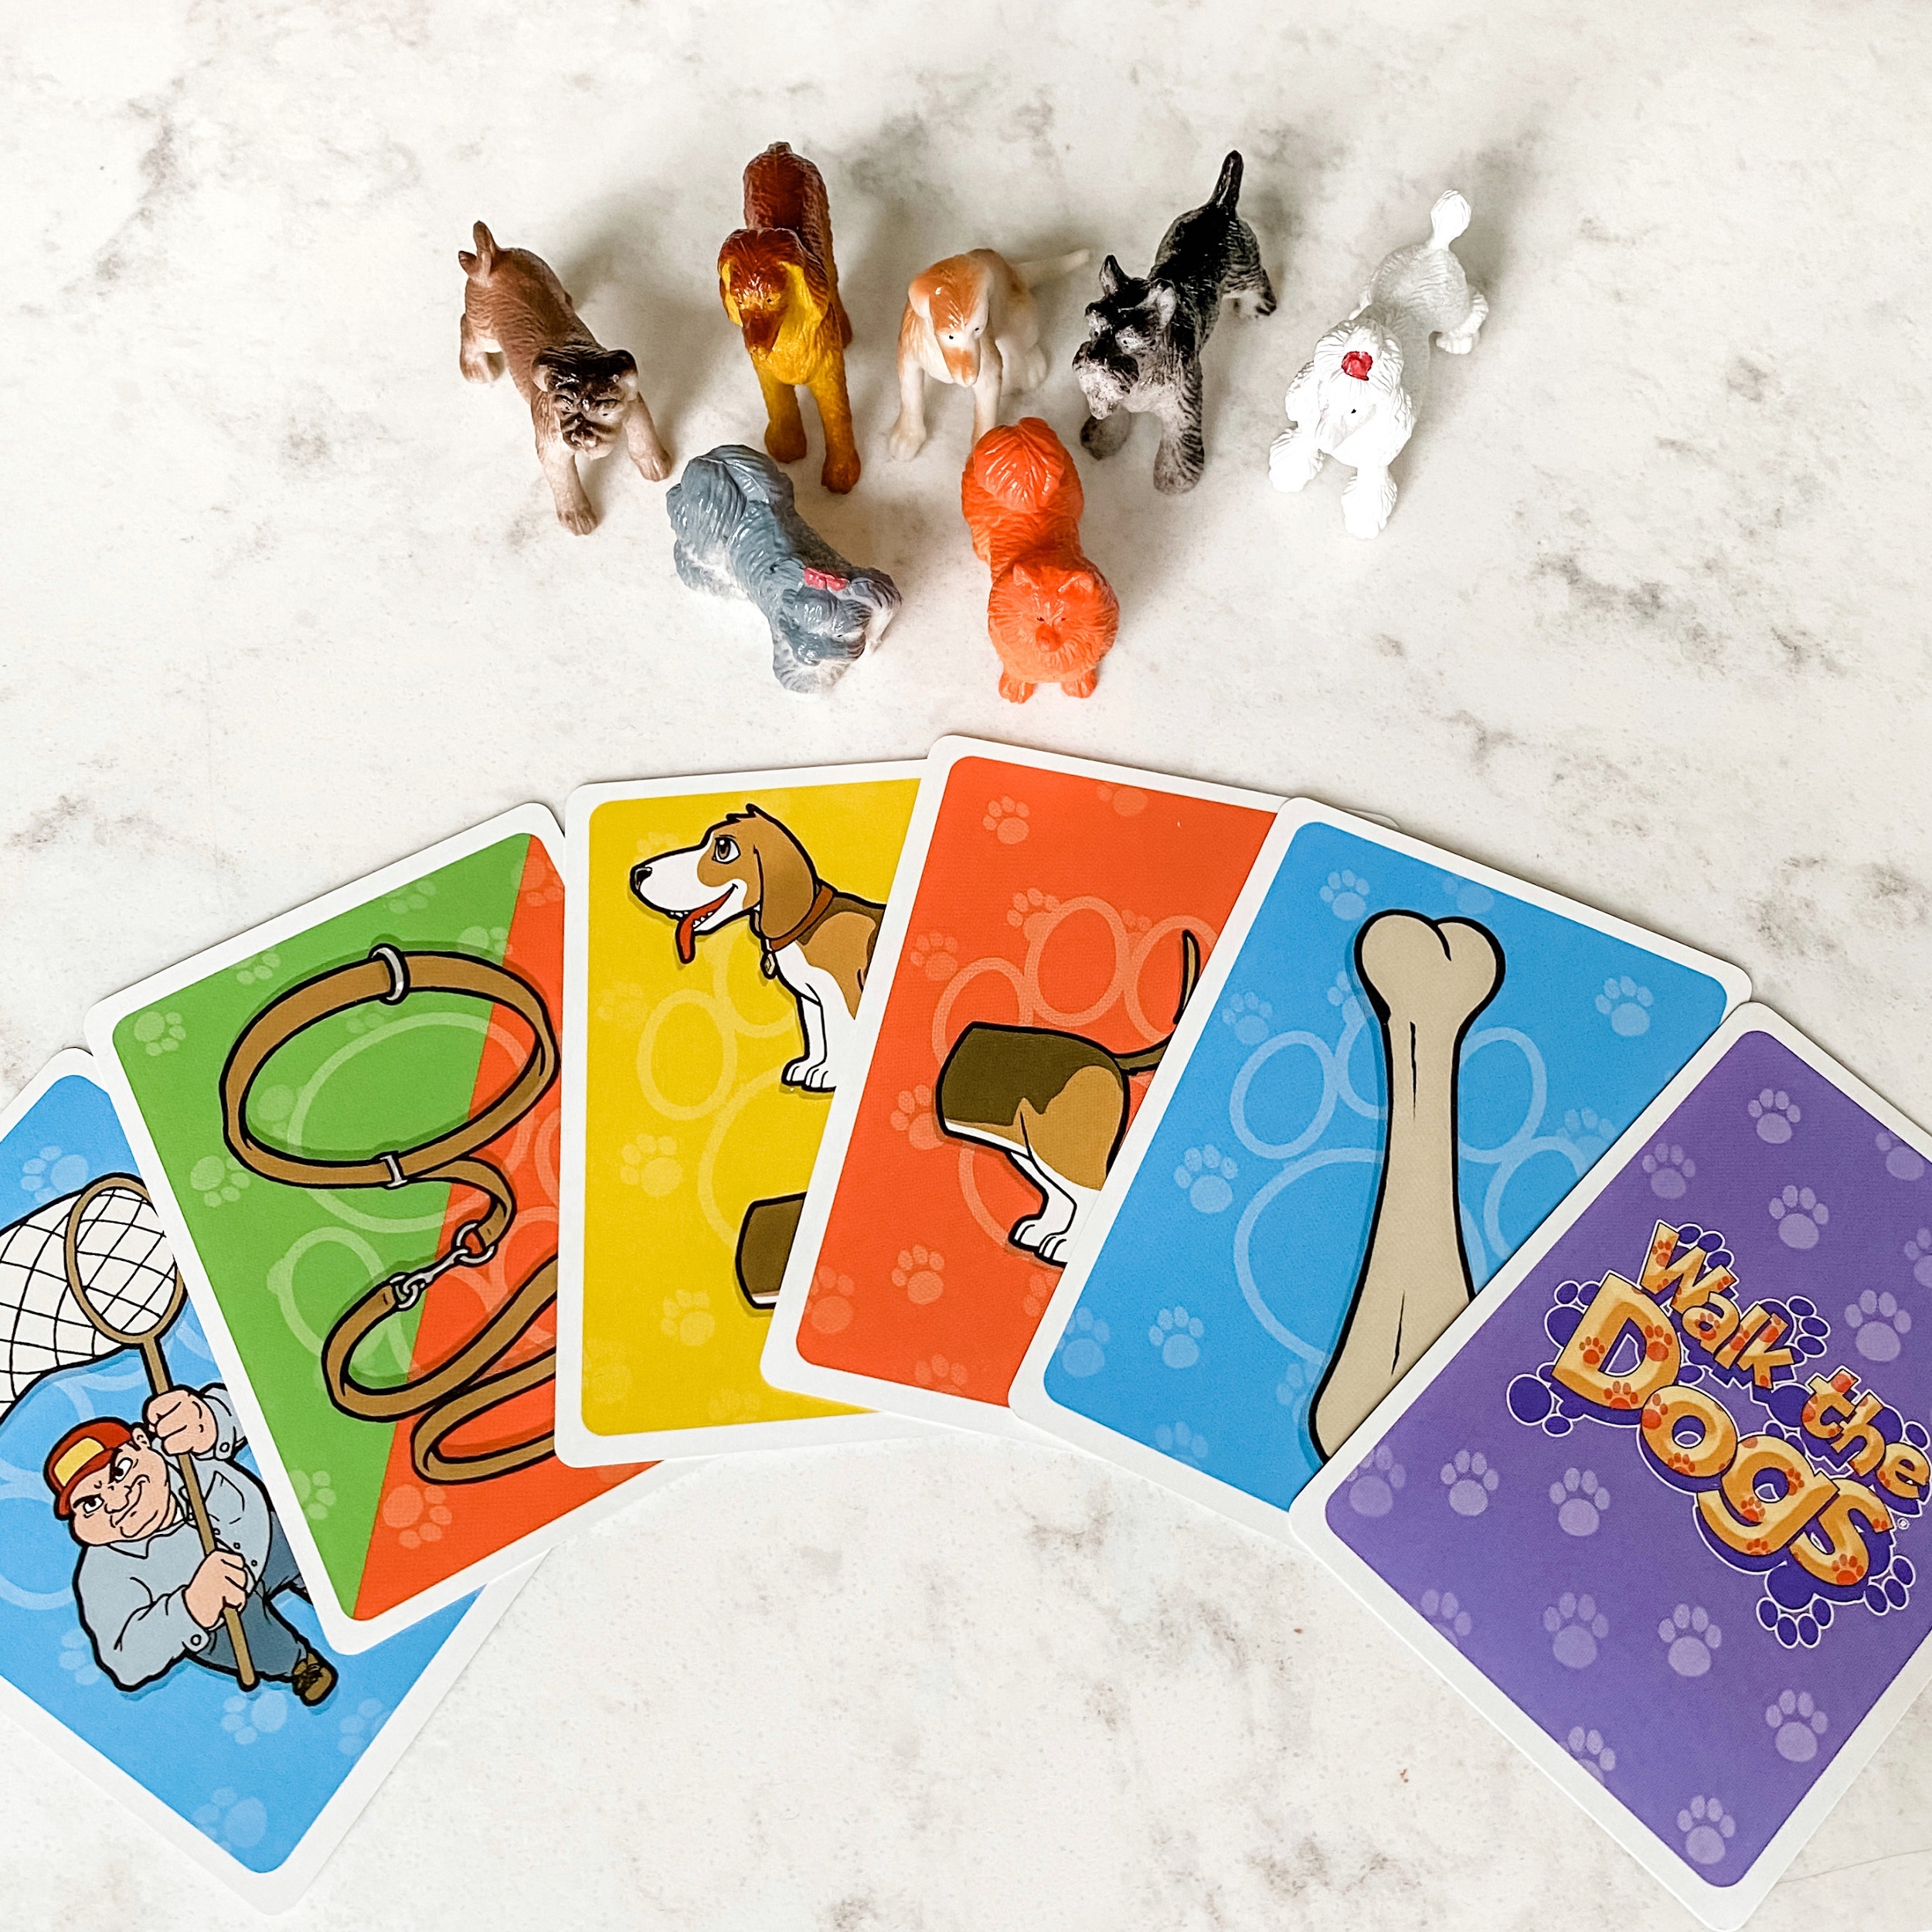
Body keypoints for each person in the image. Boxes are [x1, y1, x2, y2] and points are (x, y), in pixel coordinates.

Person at [44, 1382, 336, 1702]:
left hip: (262, 1539)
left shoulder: (178, 1443)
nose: (117, 1501)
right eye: (90, 1504)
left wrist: (210, 1419)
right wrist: (191, 1606)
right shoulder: (102, 1574)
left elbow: (255, 1404)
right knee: (248, 1642)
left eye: (120, 1470)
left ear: (142, 1442)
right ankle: (299, 1665)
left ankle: (337, 1595)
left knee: (311, 1553)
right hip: (223, 1616)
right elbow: (123, 1659)